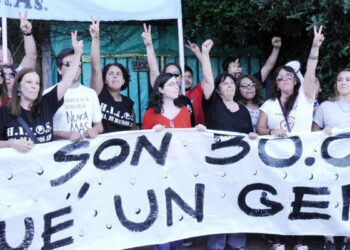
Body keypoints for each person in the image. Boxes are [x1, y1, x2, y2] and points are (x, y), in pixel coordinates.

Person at [256, 26, 324, 250]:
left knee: (300, 198)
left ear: (296, 81)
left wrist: (314, 48)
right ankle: (278, 239)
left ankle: (300, 240)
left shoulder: (305, 98)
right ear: (276, 83)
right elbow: (260, 129)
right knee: (278, 197)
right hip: (276, 161)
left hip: (302, 158)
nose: (284, 79)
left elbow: (311, 71)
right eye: (280, 77)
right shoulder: (269, 104)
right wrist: (272, 132)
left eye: (289, 76)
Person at [199, 38, 256, 249]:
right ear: (218, 89)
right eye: (225, 83)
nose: (230, 86)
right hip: (217, 165)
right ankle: (216, 243)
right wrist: (205, 55)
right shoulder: (212, 103)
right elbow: (207, 79)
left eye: (232, 83)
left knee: (238, 201)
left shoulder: (242, 110)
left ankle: (237, 242)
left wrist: (251, 137)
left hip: (239, 165)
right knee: (218, 203)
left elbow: (249, 134)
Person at [0, 32, 82, 152]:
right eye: (29, 82)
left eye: (37, 83)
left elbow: (66, 82)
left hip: (46, 169)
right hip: (17, 170)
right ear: (18, 86)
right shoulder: (5, 111)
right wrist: (12, 143)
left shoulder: (47, 103)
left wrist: (78, 54)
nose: (34, 86)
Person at [313, 68, 350, 250]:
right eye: (340, 79)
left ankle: (346, 236)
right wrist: (322, 133)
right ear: (335, 84)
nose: (343, 82)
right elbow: (312, 132)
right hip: (329, 161)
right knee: (331, 195)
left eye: (348, 79)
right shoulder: (325, 107)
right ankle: (329, 238)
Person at [45, 34, 103, 142]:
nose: (74, 68)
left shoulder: (90, 93)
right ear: (59, 69)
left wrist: (94, 130)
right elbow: (41, 130)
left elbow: (99, 126)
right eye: (68, 64)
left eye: (77, 64)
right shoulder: (48, 93)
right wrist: (66, 134)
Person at [141, 24, 196, 127]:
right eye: (168, 75)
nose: (173, 77)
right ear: (161, 86)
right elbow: (153, 70)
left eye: (176, 74)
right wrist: (149, 45)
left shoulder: (185, 104)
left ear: (181, 76)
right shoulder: (152, 111)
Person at [89, 16, 136, 132]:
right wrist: (96, 38)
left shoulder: (128, 103)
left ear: (124, 80)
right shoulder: (99, 94)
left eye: (119, 74)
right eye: (110, 74)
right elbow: (95, 67)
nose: (115, 76)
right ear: (104, 80)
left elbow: (133, 131)